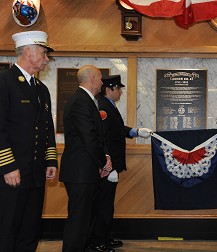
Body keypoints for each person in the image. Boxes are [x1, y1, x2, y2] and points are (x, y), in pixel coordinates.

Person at [0, 31, 58, 251]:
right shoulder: (4, 81)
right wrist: (8, 166)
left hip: (35, 173)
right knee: (7, 230)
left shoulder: (42, 90)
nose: (46, 58)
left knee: (30, 230)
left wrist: (50, 160)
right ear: (27, 52)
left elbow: (46, 128)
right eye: (43, 53)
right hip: (11, 174)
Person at [90, 75, 152, 251]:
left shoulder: (110, 106)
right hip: (107, 166)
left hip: (112, 165)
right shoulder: (103, 108)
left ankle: (106, 236)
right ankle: (98, 240)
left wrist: (136, 131)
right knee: (103, 203)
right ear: (109, 90)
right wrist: (108, 166)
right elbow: (103, 138)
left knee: (108, 203)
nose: (121, 92)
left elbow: (116, 130)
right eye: (118, 89)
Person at [59, 65, 113, 252]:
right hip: (80, 172)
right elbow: (88, 137)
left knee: (86, 220)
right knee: (79, 221)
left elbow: (96, 136)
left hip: (87, 170)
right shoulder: (81, 101)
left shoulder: (87, 100)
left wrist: (102, 159)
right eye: (99, 78)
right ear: (92, 79)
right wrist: (103, 162)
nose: (101, 82)